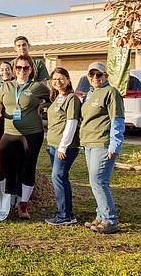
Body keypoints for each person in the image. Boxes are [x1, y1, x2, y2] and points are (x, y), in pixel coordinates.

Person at [0, 54, 50, 220]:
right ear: (14, 69)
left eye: (26, 68)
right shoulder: (6, 86)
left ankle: (23, 204)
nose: (22, 71)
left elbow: (51, 99)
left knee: (28, 166)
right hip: (10, 132)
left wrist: (42, 105)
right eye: (19, 67)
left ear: (31, 69)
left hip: (32, 134)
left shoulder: (37, 87)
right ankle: (3, 196)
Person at [80, 62, 124, 234]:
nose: (96, 78)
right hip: (90, 144)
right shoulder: (90, 93)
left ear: (106, 76)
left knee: (99, 181)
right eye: (92, 75)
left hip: (103, 143)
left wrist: (115, 144)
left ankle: (110, 220)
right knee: (94, 181)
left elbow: (117, 120)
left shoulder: (111, 92)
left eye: (99, 75)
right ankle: (101, 215)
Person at [45, 67, 81, 226]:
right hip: (53, 145)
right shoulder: (57, 98)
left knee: (57, 177)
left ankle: (63, 215)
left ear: (68, 79)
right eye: (55, 79)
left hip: (64, 147)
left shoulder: (71, 98)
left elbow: (71, 123)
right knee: (62, 178)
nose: (58, 82)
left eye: (61, 78)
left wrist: (63, 146)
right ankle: (68, 213)